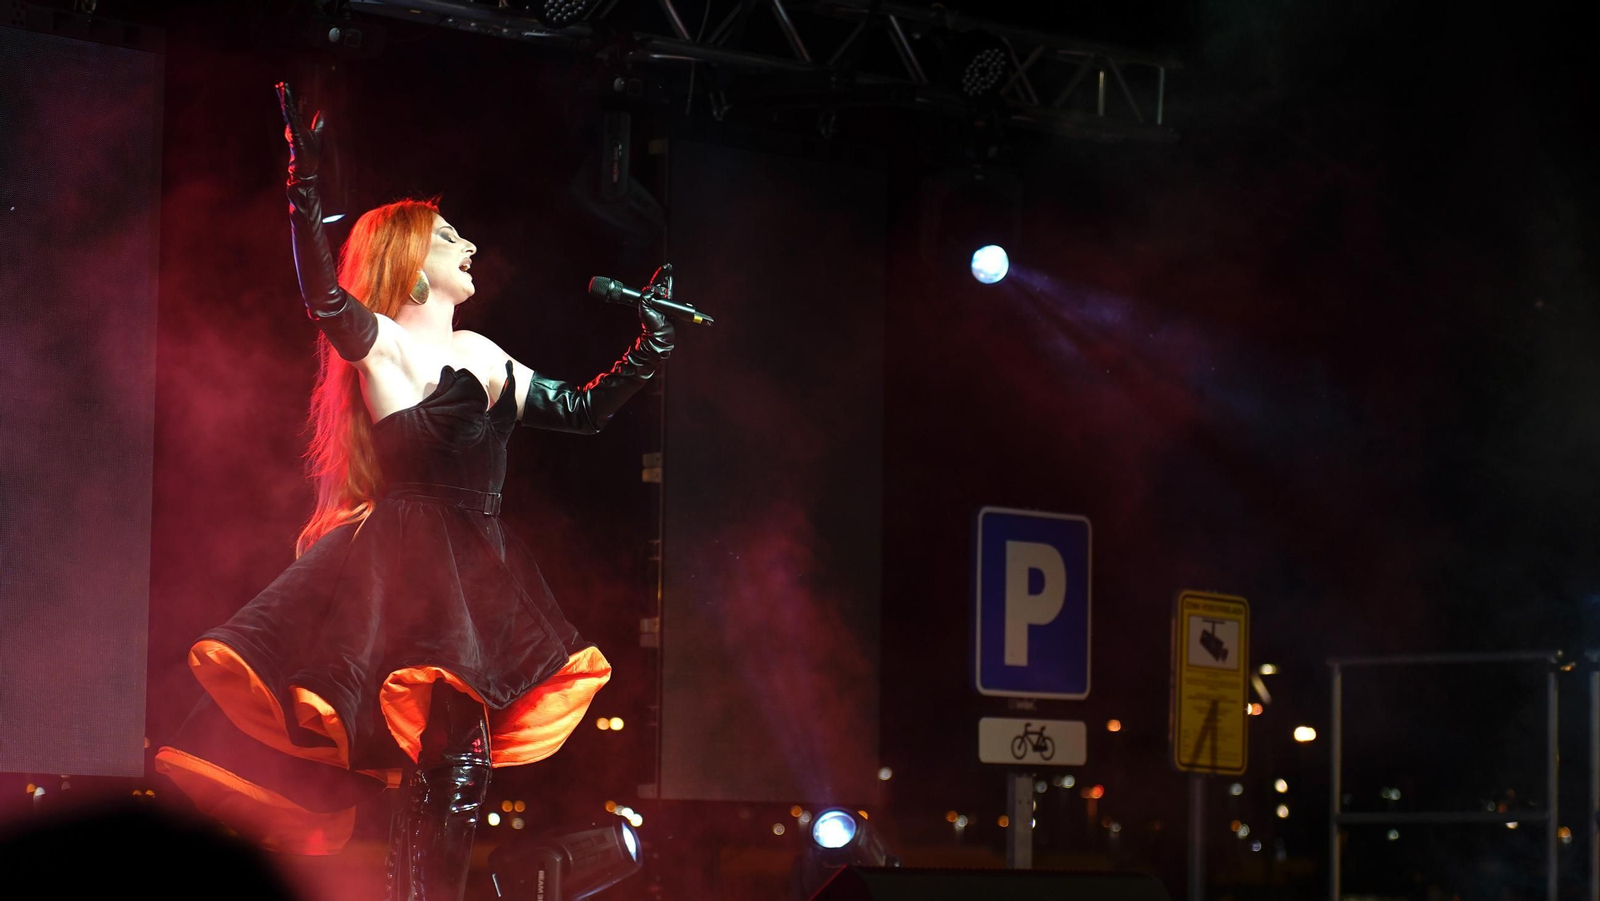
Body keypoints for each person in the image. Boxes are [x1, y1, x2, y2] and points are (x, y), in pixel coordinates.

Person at [153, 82, 675, 900]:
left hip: (479, 563)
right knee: (439, 755)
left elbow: (580, 410)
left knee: (457, 760)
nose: (468, 244)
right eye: (447, 237)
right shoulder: (389, 348)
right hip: (408, 561)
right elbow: (325, 298)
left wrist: (649, 348)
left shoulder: (485, 350)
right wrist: (306, 192)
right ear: (409, 266)